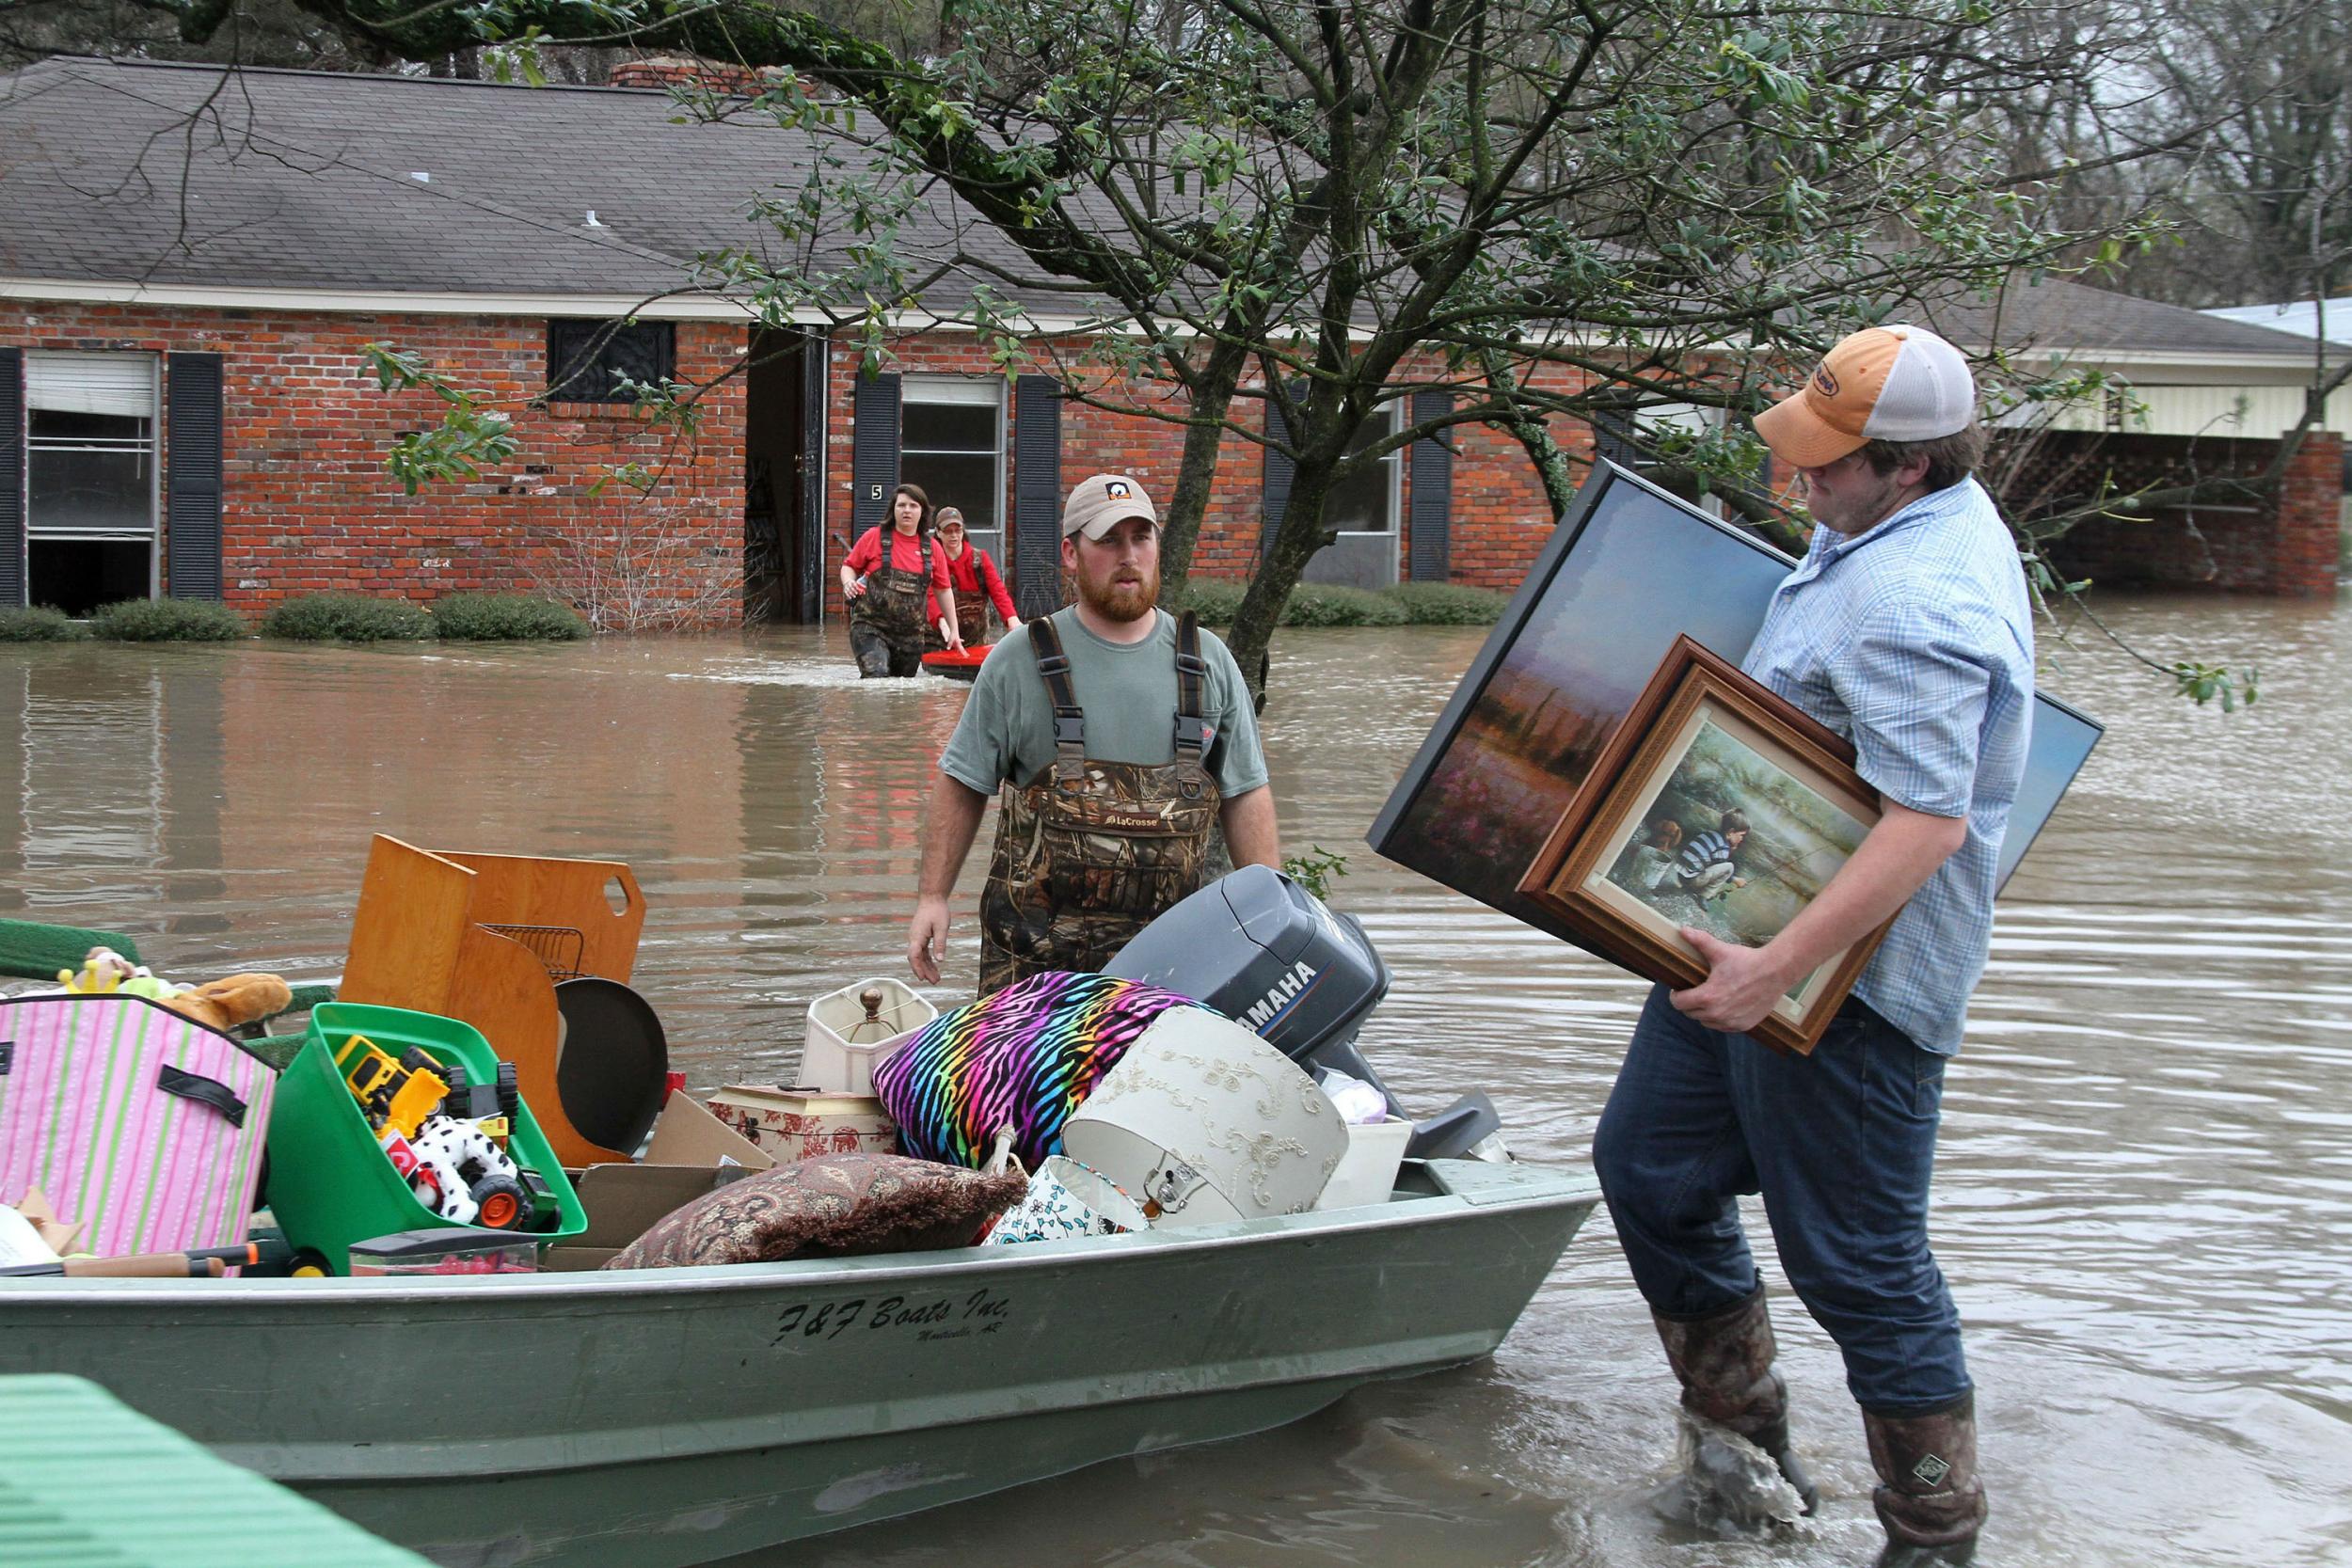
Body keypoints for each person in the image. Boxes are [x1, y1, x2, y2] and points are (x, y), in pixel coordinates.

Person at [1591, 325, 2032, 1566]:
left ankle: (1935, 1537)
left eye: (1826, 464)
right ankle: (1745, 1462)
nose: (1799, 480)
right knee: (1649, 1167)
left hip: (1851, 987)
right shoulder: (1879, 530)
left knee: (1861, 1264)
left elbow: (1930, 822)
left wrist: (1773, 966)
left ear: (1909, 466)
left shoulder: (1916, 595)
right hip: (1746, 951)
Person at [907, 473, 1280, 994]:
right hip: (1033, 979)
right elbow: (962, 782)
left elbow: (1245, 794)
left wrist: (1272, 918)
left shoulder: (1208, 662)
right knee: (1022, 1080)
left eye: (1140, 537)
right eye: (1108, 540)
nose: (1128, 555)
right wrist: (933, 897)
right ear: (1070, 552)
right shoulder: (1016, 663)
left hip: (1172, 973)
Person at [839, 483, 961, 677]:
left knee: (902, 692)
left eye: (913, 506)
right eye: (901, 505)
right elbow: (849, 566)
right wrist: (848, 583)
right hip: (871, 628)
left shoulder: (933, 549)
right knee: (876, 677)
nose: (907, 510)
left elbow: (943, 590)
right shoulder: (874, 537)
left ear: (922, 511)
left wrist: (954, 630)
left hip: (910, 637)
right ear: (893, 510)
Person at [927, 506, 1022, 649]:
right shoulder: (932, 561)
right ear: (938, 533)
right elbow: (930, 595)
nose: (954, 535)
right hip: (941, 637)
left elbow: (998, 591)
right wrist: (941, 621)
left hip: (975, 640)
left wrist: (1011, 619)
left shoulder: (980, 559)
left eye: (957, 530)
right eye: (948, 531)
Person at [1675, 809, 1752, 903]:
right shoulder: (1723, 846)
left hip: (1680, 874)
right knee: (1729, 867)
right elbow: (1721, 868)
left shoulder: (1710, 834)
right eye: (1741, 835)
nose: (1742, 839)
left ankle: (1692, 888)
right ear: (1731, 832)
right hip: (1691, 880)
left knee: (1708, 865)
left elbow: (1710, 862)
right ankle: (1704, 896)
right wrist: (1736, 880)